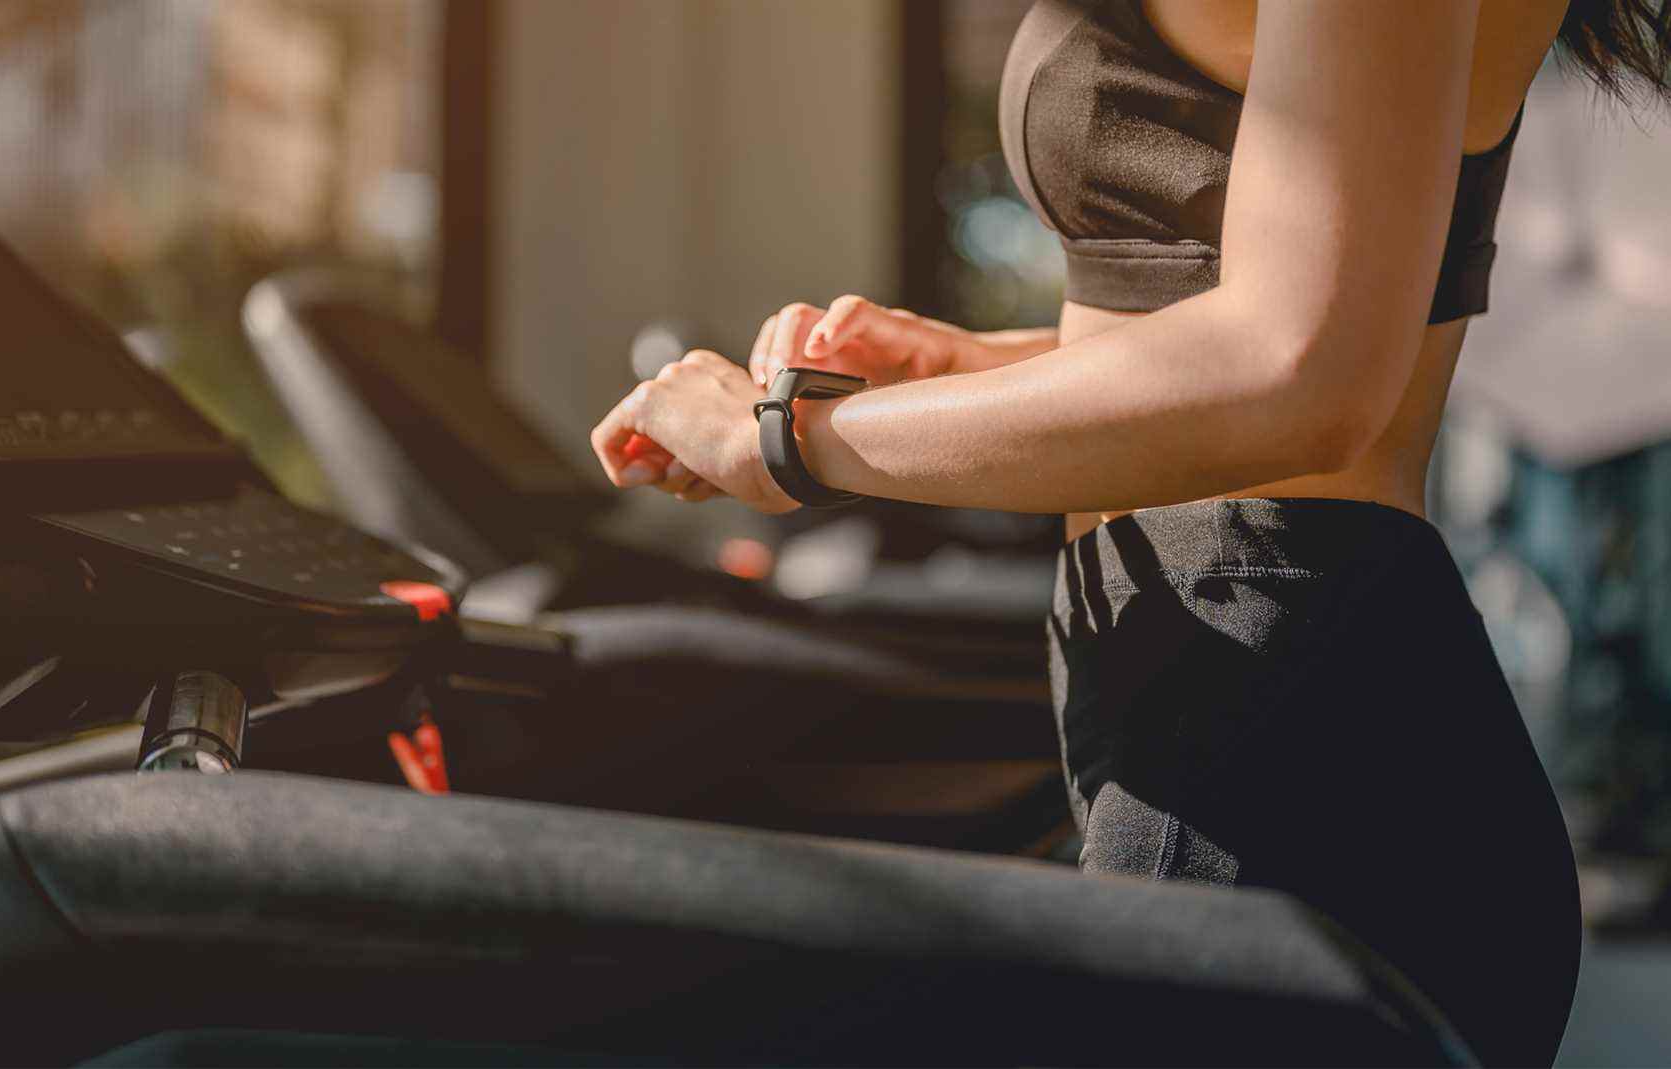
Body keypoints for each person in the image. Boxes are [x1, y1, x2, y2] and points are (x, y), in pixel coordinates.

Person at [590, 1, 1670, 1063]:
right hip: (1246, 704)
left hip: (1280, 747)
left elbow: (1298, 372)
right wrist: (961, 371)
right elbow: (1259, 335)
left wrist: (789, 441)